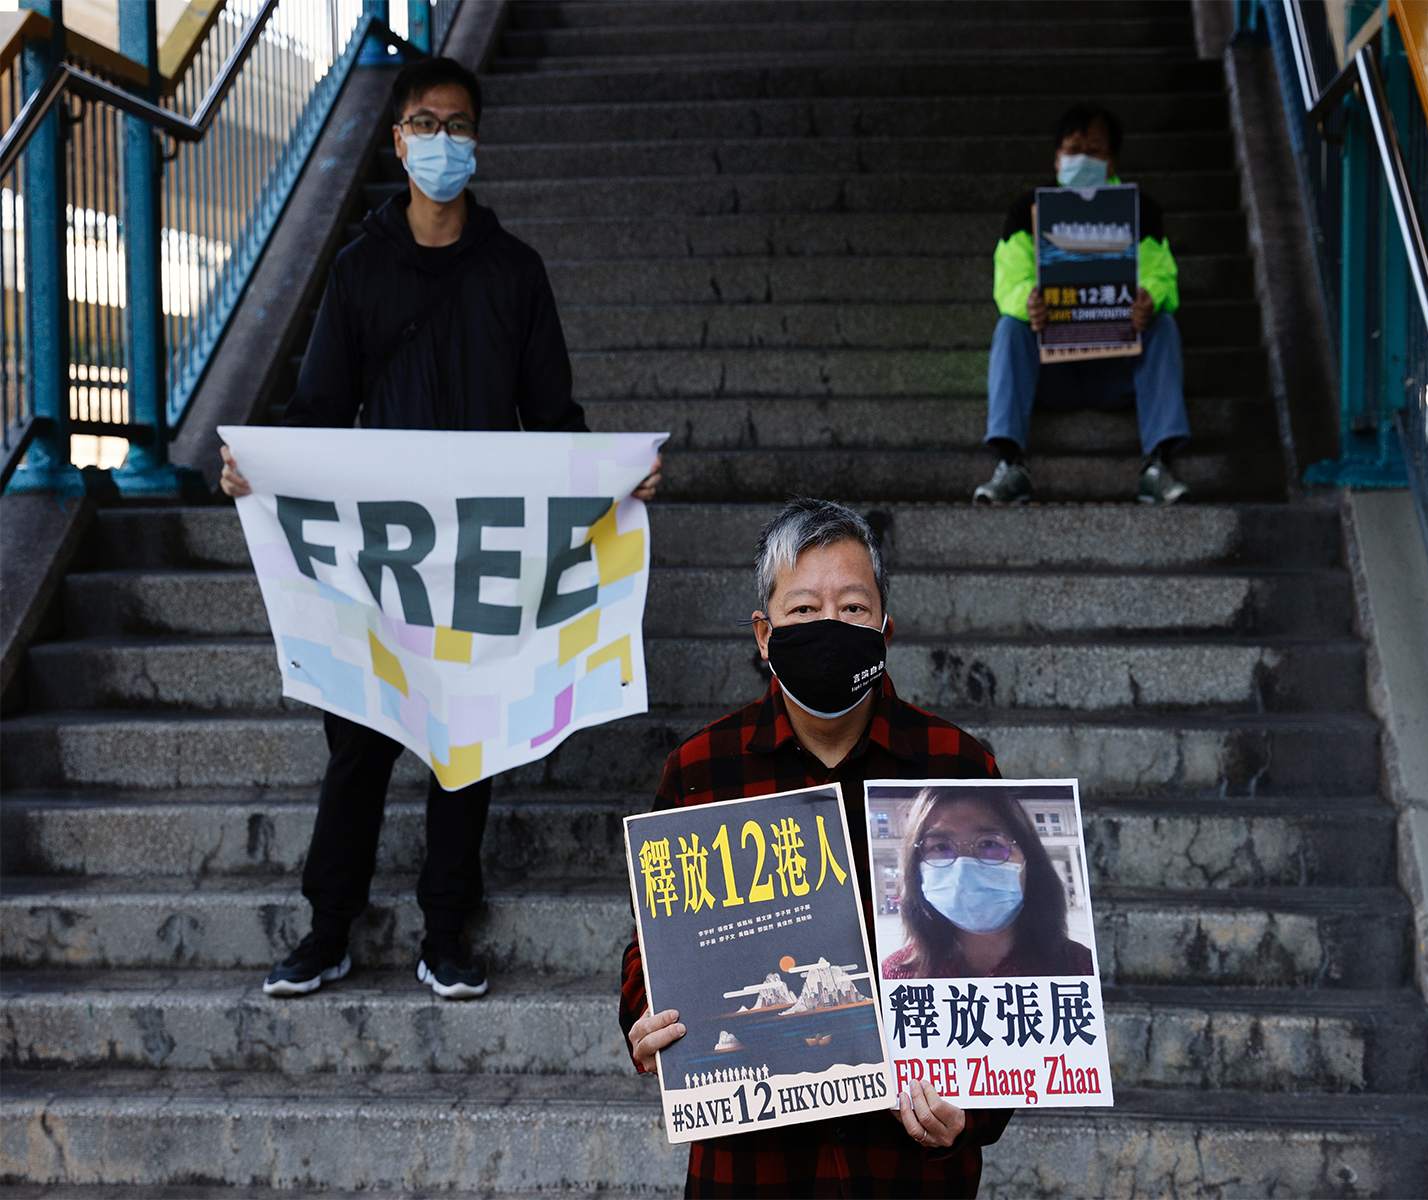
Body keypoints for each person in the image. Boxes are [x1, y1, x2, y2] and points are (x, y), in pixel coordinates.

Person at [218, 56, 661, 1002]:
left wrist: (612, 487)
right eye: (425, 123)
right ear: (398, 140)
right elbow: (320, 410)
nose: (443, 141)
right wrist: (260, 471)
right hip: (386, 558)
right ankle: (328, 928)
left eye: (458, 125)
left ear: (477, 140)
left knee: (468, 738)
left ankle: (446, 932)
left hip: (478, 556)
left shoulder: (514, 273)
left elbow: (553, 419)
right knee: (361, 738)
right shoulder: (359, 270)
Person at [619, 497, 1012, 1197]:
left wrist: (976, 1107)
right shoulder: (702, 767)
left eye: (853, 608)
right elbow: (652, 944)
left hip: (909, 1169)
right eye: (803, 611)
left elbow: (1014, 972)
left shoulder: (956, 763)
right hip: (750, 1168)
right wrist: (645, 1015)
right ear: (764, 634)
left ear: (885, 629)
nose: (829, 627)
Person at [974, 101, 1190, 507]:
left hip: (1118, 367)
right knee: (1009, 326)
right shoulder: (1026, 213)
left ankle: (1158, 465)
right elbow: (1009, 281)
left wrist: (1149, 298)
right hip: (1052, 371)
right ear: (1056, 158)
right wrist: (1028, 302)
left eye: (1095, 149)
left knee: (1163, 323)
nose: (1083, 158)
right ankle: (1010, 464)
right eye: (1074, 149)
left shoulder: (1140, 210)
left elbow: (1162, 274)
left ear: (1111, 163)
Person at [880, 786, 1094, 979]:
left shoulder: (1081, 969)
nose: (963, 867)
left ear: (1029, 859)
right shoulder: (895, 975)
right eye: (941, 847)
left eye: (989, 843)